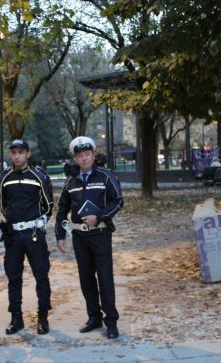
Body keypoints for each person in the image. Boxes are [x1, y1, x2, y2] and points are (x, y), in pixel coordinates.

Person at [55, 136, 124, 339]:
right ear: (76, 159)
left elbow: (118, 201)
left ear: (93, 156)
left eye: (87, 155)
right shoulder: (71, 182)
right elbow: (62, 210)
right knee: (86, 280)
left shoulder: (106, 176)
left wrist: (99, 216)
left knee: (104, 278)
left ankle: (111, 322)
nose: (84, 159)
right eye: (80, 156)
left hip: (101, 234)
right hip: (79, 236)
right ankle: (94, 317)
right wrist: (60, 235)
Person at [0, 139, 53, 335]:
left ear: (28, 154)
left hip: (33, 233)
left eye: (21, 152)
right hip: (13, 235)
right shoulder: (5, 176)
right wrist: (12, 218)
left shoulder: (39, 176)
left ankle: (43, 317)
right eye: (13, 152)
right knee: (13, 277)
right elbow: (3, 204)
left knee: (41, 276)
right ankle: (16, 318)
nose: (17, 156)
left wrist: (36, 221)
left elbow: (48, 205)